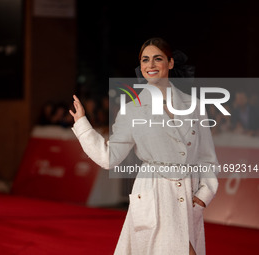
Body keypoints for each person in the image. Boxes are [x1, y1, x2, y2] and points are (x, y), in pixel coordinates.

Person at [69, 38, 218, 254]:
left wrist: (204, 195)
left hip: (188, 197)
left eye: (158, 58)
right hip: (154, 195)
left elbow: (207, 157)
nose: (151, 65)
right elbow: (109, 158)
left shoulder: (194, 106)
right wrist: (82, 124)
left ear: (171, 63)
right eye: (145, 60)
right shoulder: (132, 111)